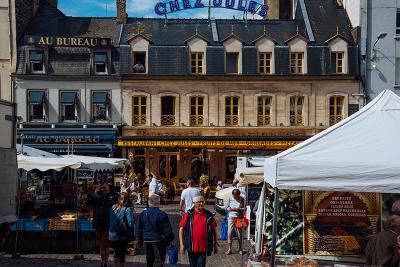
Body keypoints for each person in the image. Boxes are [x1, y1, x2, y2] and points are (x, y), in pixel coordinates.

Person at [179, 195, 218, 267]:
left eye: (202, 202)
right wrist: (182, 244)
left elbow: (214, 230)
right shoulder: (189, 214)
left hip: (203, 247)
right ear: (194, 203)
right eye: (199, 202)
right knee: (192, 265)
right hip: (191, 246)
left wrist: (215, 243)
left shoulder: (209, 215)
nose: (201, 204)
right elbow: (181, 229)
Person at [136, 194, 174, 267]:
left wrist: (139, 240)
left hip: (147, 240)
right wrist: (170, 239)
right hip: (158, 240)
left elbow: (139, 228)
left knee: (149, 260)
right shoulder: (162, 214)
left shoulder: (143, 214)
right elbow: (167, 230)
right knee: (159, 260)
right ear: (158, 203)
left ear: (149, 203)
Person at [87, 183, 118, 267]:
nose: (103, 189)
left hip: (108, 223)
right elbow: (88, 203)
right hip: (98, 223)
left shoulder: (113, 196)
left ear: (108, 187)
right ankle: (103, 261)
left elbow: (118, 206)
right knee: (101, 244)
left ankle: (105, 262)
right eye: (102, 188)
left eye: (105, 187)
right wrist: (94, 194)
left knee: (105, 244)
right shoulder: (97, 195)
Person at [109, 193, 135, 267]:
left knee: (116, 252)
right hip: (121, 235)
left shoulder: (113, 207)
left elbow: (110, 219)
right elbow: (130, 224)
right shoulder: (127, 209)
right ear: (127, 200)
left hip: (111, 235)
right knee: (122, 255)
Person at [225, 188, 245, 255]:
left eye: (236, 196)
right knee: (230, 233)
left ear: (238, 195)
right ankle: (229, 248)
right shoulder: (230, 198)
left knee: (239, 233)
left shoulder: (242, 199)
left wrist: (238, 209)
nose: (235, 197)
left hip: (239, 217)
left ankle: (240, 248)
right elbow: (226, 207)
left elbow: (244, 208)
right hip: (231, 217)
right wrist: (230, 209)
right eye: (234, 196)